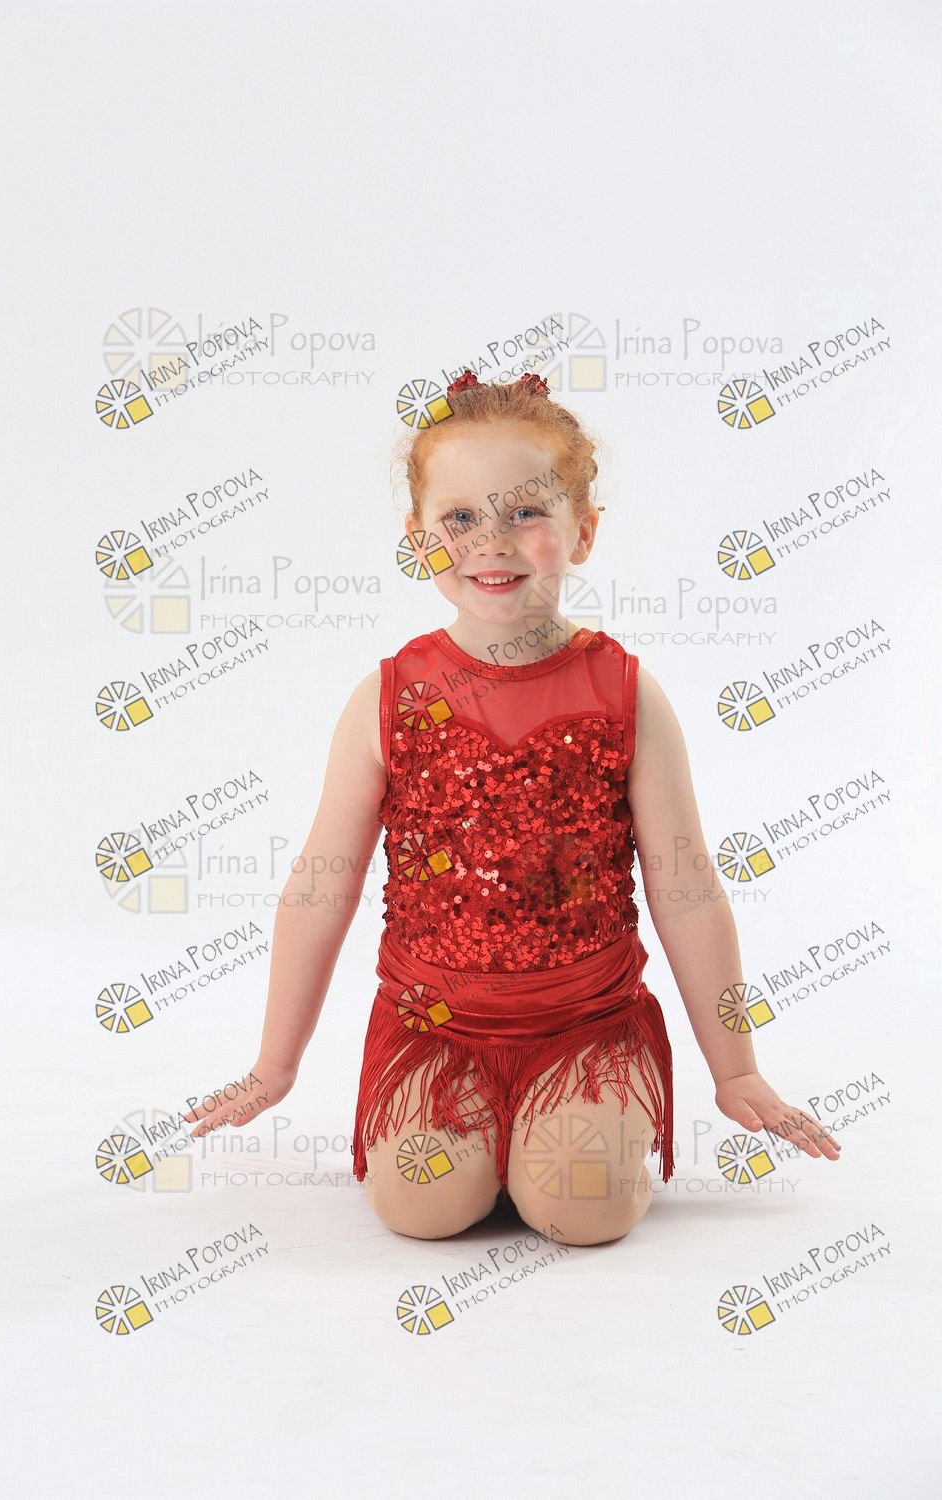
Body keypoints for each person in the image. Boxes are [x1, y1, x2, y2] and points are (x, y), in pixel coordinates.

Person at [183, 367, 840, 1246]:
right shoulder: (390, 698)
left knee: (583, 1210)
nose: (491, 542)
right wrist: (275, 1063)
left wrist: (737, 1070)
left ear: (584, 531)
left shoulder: (624, 693)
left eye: (526, 511)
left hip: (584, 1023)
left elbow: (687, 890)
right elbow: (320, 883)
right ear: (418, 539)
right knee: (422, 1211)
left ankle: (550, 1139)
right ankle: (490, 1145)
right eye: (460, 518)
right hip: (436, 1025)